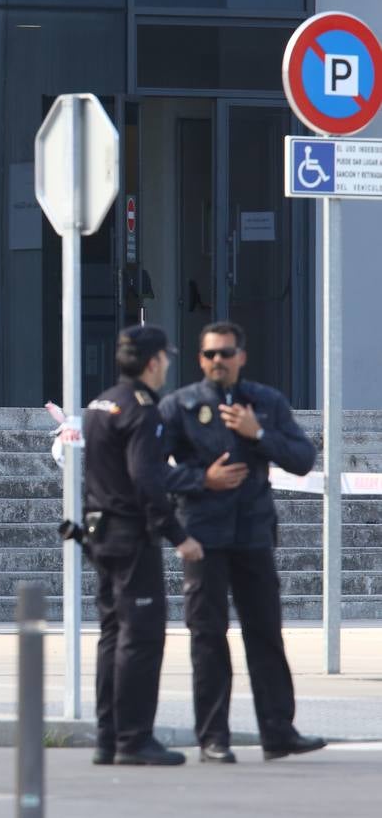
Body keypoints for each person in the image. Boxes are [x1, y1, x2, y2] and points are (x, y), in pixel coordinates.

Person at [159, 321, 326, 764]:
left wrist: (259, 435)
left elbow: (304, 459)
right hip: (203, 535)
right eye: (210, 354)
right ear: (200, 359)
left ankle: (279, 732)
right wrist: (202, 479)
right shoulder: (180, 405)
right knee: (208, 637)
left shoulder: (266, 402)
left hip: (253, 534)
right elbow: (150, 473)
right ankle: (213, 738)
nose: (219, 361)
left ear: (241, 356)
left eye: (226, 353)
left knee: (266, 635)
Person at [83, 324, 204, 767]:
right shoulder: (142, 410)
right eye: (166, 358)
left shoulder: (101, 403)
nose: (168, 364)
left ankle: (107, 737)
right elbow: (148, 480)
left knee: (112, 635)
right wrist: (179, 536)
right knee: (142, 636)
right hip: (131, 535)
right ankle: (134, 739)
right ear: (153, 361)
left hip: (101, 531)